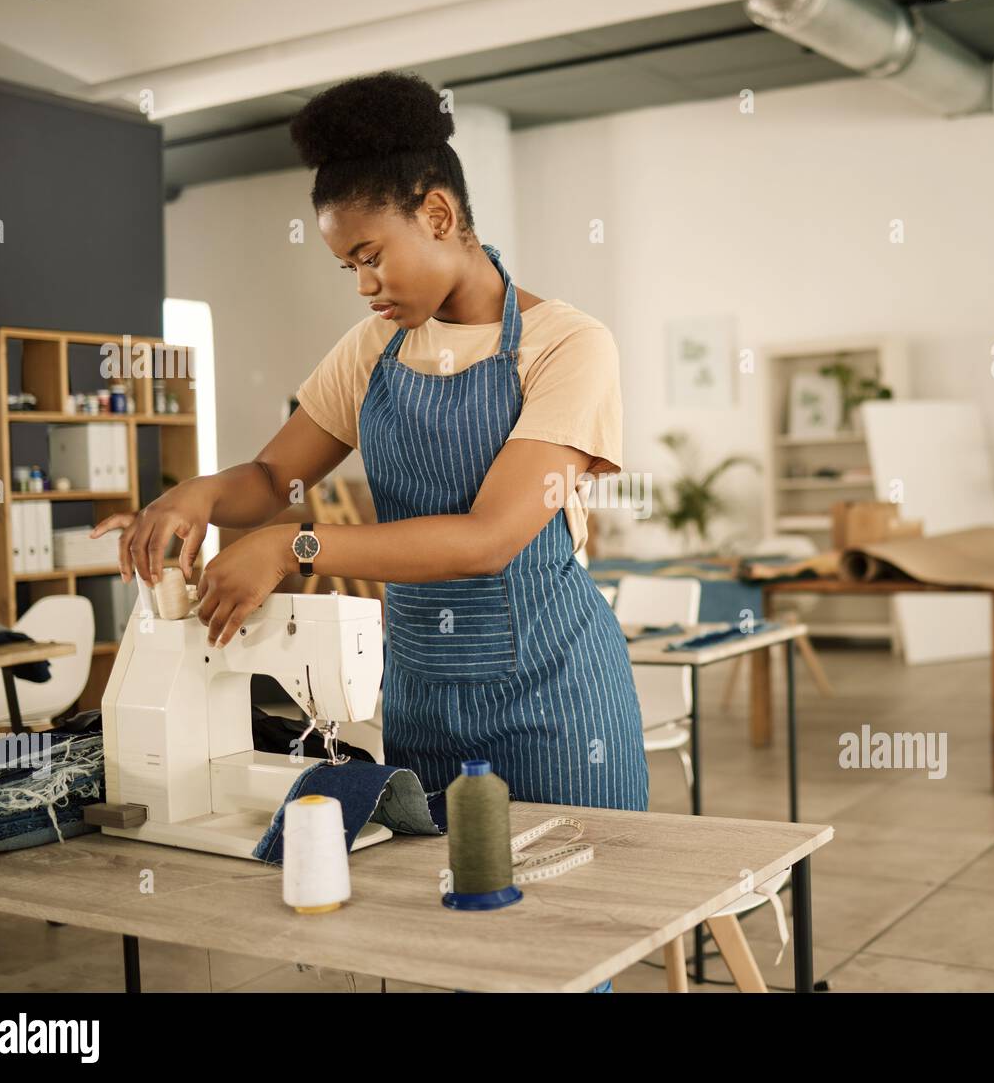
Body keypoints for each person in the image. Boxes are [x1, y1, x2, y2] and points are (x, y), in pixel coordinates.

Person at [93, 73, 648, 840]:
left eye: (370, 255)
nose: (363, 285)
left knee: (572, 932)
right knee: (434, 926)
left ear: (440, 213)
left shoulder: (567, 345)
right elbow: (268, 478)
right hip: (419, 694)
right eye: (347, 267)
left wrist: (294, 546)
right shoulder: (372, 352)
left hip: (552, 694)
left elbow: (488, 540)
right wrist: (194, 498)